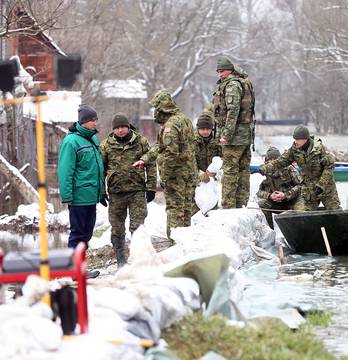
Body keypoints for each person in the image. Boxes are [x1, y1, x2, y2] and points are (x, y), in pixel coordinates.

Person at [133, 90, 196, 239]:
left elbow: (170, 153)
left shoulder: (170, 126)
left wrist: (165, 178)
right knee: (186, 209)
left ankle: (175, 243)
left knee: (175, 210)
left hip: (176, 176)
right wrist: (145, 158)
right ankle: (185, 244)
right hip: (188, 174)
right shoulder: (184, 119)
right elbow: (161, 146)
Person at [100, 113, 157, 267]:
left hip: (137, 191)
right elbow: (101, 169)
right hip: (116, 192)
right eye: (117, 128)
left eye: (123, 127)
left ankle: (138, 259)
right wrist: (101, 190)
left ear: (128, 127)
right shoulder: (106, 145)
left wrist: (151, 187)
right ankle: (121, 260)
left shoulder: (140, 142)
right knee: (117, 227)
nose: (120, 130)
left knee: (137, 227)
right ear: (114, 129)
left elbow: (151, 163)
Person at [57, 104, 105, 278]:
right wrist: (67, 195)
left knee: (87, 233)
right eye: (92, 120)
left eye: (95, 119)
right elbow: (65, 170)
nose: (95, 123)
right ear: (83, 122)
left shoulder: (92, 140)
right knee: (77, 234)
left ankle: (81, 268)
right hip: (78, 197)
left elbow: (97, 169)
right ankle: (74, 270)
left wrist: (101, 191)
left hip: (91, 196)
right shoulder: (71, 142)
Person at [259, 126, 340, 211]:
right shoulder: (294, 150)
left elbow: (329, 168)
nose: (295, 142)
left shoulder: (319, 149)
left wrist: (321, 185)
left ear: (305, 139)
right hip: (309, 188)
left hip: (326, 186)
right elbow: (281, 161)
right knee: (305, 214)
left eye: (297, 139)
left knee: (334, 210)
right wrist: (265, 168)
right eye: (294, 139)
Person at [211, 57, 255, 209]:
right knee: (243, 171)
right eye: (218, 72)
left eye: (222, 71)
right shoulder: (242, 82)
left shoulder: (232, 85)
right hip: (244, 135)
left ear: (230, 70)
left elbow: (233, 110)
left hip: (234, 138)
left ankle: (229, 207)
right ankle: (241, 205)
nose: (220, 75)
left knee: (230, 172)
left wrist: (226, 134)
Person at [256, 146, 301, 227]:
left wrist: (286, 195)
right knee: (262, 204)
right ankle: (270, 230)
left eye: (275, 158)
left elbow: (301, 186)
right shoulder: (266, 171)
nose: (273, 161)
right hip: (277, 204)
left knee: (301, 210)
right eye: (270, 159)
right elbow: (259, 192)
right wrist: (270, 196)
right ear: (267, 160)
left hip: (292, 203)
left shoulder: (289, 169)